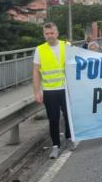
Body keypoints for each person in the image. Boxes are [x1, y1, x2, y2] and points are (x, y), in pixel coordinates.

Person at [32, 22, 76, 159]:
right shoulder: (40, 50)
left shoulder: (66, 46)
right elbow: (35, 71)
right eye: (47, 33)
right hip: (50, 91)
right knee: (53, 119)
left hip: (65, 88)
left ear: (57, 33)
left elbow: (76, 64)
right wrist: (37, 91)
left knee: (69, 116)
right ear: (44, 35)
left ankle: (69, 139)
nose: (50, 36)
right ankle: (55, 146)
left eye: (52, 33)